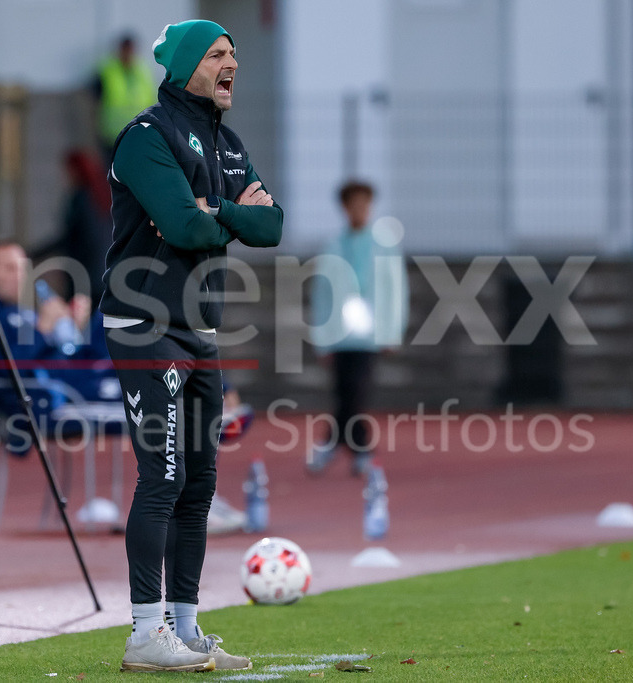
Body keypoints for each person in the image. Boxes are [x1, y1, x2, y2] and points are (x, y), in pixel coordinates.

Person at [99, 20, 282, 672]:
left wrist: (220, 210)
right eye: (216, 54)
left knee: (199, 482)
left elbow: (270, 223)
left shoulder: (225, 142)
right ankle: (144, 633)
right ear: (183, 68)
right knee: (163, 476)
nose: (232, 62)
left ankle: (186, 627)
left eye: (233, 53)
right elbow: (180, 223)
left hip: (199, 328)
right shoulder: (146, 138)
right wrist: (219, 211)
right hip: (145, 325)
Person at [0, 240, 116, 455]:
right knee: (144, 409)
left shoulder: (17, 312)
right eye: (10, 268)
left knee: (111, 317)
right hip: (42, 403)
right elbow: (2, 365)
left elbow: (60, 357)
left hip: (70, 387)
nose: (20, 276)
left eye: (23, 268)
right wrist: (43, 329)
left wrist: (72, 330)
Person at [307, 181, 409, 483]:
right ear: (344, 208)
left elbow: (396, 290)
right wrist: (321, 339)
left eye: (364, 204)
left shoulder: (385, 244)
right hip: (340, 333)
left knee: (356, 391)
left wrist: (392, 332)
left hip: (370, 334)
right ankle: (359, 448)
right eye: (353, 205)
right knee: (344, 391)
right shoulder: (333, 246)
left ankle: (334, 444)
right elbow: (321, 295)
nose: (359, 211)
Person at [33, 149, 113, 309]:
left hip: (85, 274)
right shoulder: (100, 196)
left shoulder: (81, 199)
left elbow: (71, 237)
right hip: (102, 271)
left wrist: (35, 253)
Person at [92, 33, 156, 159]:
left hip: (140, 133)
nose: (128, 54)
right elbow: (95, 102)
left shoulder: (143, 71)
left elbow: (152, 100)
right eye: (125, 50)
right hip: (113, 135)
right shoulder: (107, 71)